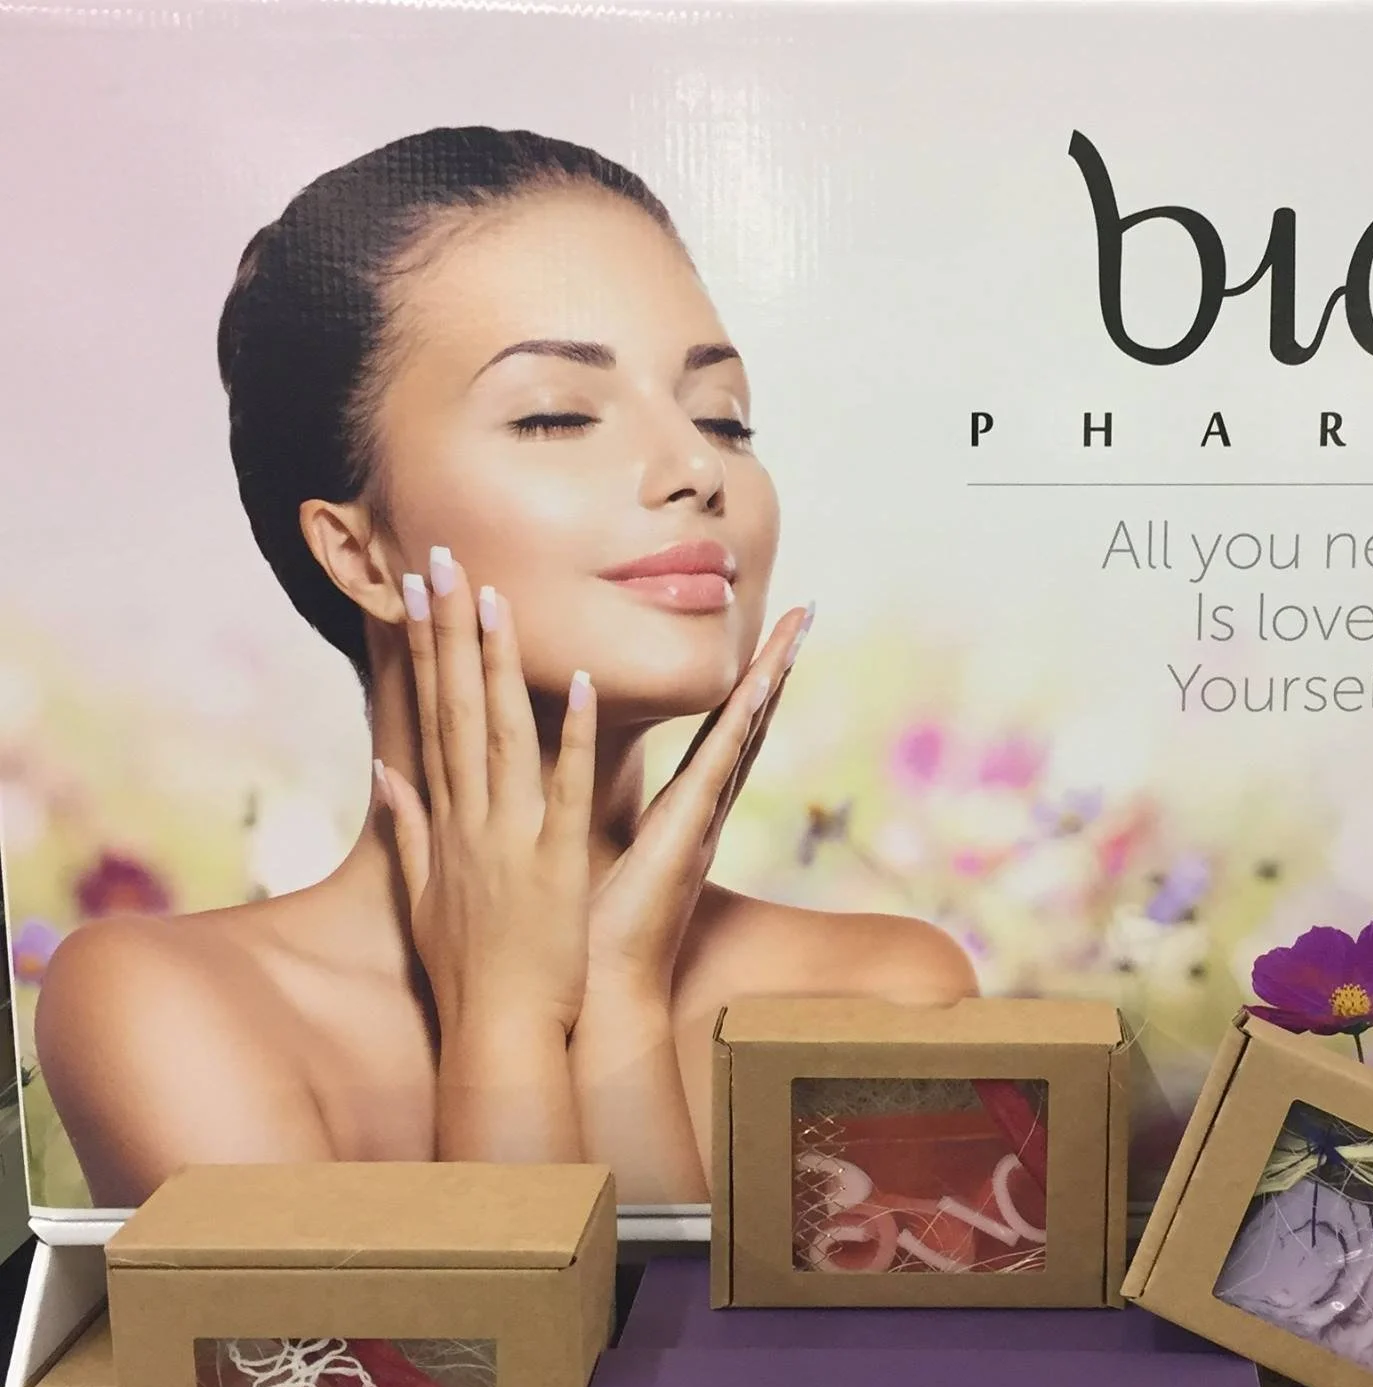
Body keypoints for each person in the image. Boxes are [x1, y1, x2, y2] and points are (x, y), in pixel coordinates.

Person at [38, 127, 975, 1207]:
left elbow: (697, 1338)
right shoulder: (170, 1004)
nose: (694, 466)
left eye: (723, 418)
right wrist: (505, 1021)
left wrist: (616, 995)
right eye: (554, 415)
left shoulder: (879, 993)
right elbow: (488, 1327)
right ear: (359, 552)